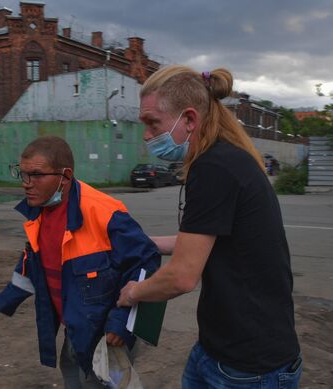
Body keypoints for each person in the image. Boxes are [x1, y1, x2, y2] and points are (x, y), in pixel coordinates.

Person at [117, 66, 302, 388]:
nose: (146, 135)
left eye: (152, 123)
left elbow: (182, 277)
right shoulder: (225, 158)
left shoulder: (214, 167)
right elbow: (209, 239)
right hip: (219, 350)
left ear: (189, 120)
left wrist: (133, 293)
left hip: (249, 368)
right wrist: (149, 242)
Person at [0, 135, 161, 388]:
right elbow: (33, 263)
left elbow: (145, 265)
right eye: (21, 174)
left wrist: (122, 322)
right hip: (75, 332)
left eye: (35, 175)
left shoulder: (104, 213)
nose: (26, 184)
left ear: (65, 177)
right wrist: (5, 299)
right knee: (72, 375)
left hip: (106, 340)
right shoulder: (39, 213)